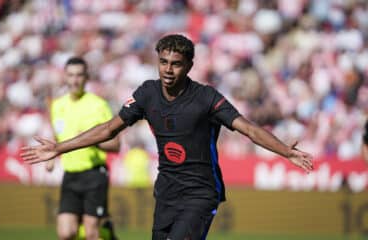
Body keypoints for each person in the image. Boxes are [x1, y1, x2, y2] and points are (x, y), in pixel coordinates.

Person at [21, 34, 313, 240]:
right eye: (163, 62)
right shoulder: (147, 93)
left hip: (200, 193)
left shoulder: (206, 97)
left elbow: (248, 128)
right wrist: (60, 148)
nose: (168, 70)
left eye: (175, 64)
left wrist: (286, 151)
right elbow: (109, 129)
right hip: (167, 193)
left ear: (189, 66)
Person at [45, 57, 120, 240]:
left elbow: (115, 145)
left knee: (91, 234)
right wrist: (51, 157)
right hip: (70, 175)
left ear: (86, 78)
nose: (75, 80)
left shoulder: (98, 105)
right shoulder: (57, 105)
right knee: (66, 233)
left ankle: (102, 232)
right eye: (71, 75)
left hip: (94, 175)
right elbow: (58, 135)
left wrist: (90, 139)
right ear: (65, 77)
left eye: (79, 75)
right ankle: (105, 231)